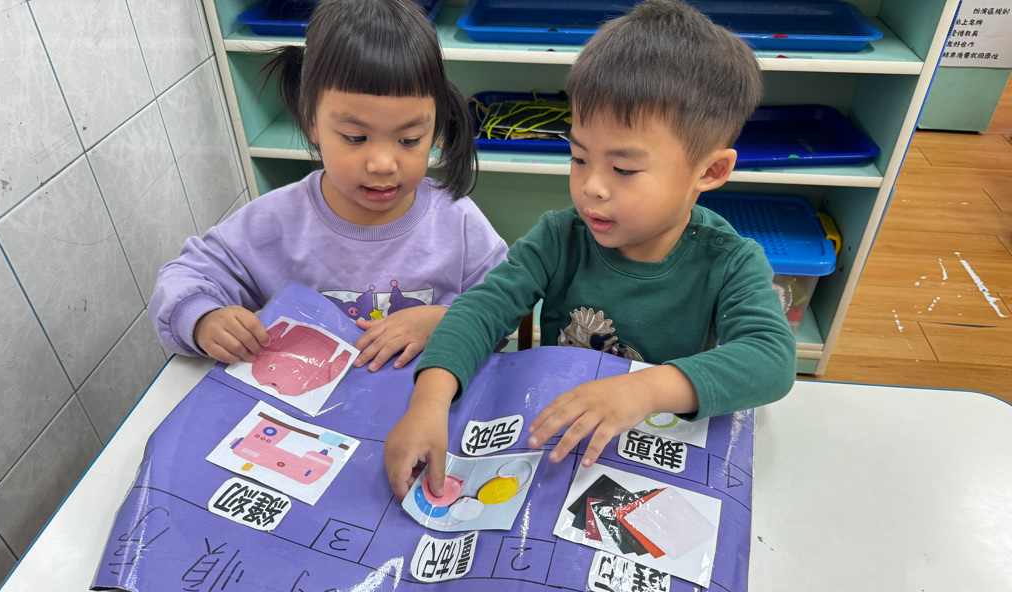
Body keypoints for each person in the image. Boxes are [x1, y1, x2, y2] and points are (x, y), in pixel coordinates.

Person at [385, 0, 795, 498]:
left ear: (709, 171)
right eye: (579, 157)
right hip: (558, 439)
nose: (591, 187)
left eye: (623, 169)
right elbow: (482, 309)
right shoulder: (560, 236)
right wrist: (428, 403)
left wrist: (643, 390)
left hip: (652, 446)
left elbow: (770, 359)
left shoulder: (730, 261)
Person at [149, 0, 507, 371]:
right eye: (355, 137)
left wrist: (447, 322)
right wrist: (204, 320)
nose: (383, 164)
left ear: (434, 128)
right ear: (311, 123)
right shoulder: (276, 222)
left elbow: (507, 306)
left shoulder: (457, 222)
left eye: (409, 140)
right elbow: (184, 277)